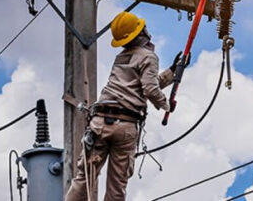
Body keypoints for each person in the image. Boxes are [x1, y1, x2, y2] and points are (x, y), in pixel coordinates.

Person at [64, 11, 189, 201]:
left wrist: (172, 72)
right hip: (125, 126)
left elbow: (141, 86)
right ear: (141, 33)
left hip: (99, 124)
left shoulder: (122, 58)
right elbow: (149, 90)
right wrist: (167, 106)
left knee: (84, 178)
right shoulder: (149, 56)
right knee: (117, 186)